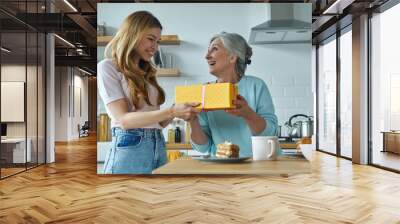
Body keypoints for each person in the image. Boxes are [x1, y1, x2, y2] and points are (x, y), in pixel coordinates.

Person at [97, 11, 199, 174]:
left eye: (157, 41)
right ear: (131, 35)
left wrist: (176, 112)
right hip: (130, 147)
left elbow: (157, 123)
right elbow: (124, 120)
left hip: (158, 144)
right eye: (151, 39)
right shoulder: (107, 67)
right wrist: (171, 110)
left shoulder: (147, 73)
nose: (155, 47)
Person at [189, 32, 278, 157]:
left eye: (214, 49)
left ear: (232, 57)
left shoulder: (256, 86)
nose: (206, 56)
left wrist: (247, 113)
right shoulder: (205, 92)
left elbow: (270, 134)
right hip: (222, 166)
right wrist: (192, 121)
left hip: (259, 164)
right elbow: (203, 147)